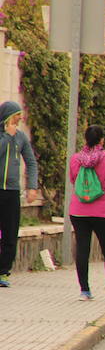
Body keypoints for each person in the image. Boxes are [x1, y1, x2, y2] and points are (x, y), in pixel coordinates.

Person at [68, 125, 105, 301]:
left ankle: (85, 291)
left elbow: (73, 179)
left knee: (82, 249)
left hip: (79, 211)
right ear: (101, 140)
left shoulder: (76, 159)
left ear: (86, 139)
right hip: (102, 212)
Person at [0, 101, 39, 287]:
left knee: (10, 232)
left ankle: (4, 271)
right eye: (16, 116)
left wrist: (32, 186)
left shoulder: (21, 137)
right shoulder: (5, 136)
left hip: (12, 191)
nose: (19, 119)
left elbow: (31, 162)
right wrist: (7, 137)